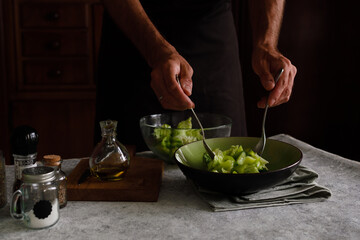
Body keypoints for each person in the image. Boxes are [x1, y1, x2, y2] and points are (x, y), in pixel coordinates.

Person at [94, 0, 297, 151]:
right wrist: (156, 52)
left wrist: (266, 43)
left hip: (212, 28)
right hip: (132, 36)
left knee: (228, 164)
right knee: (127, 171)